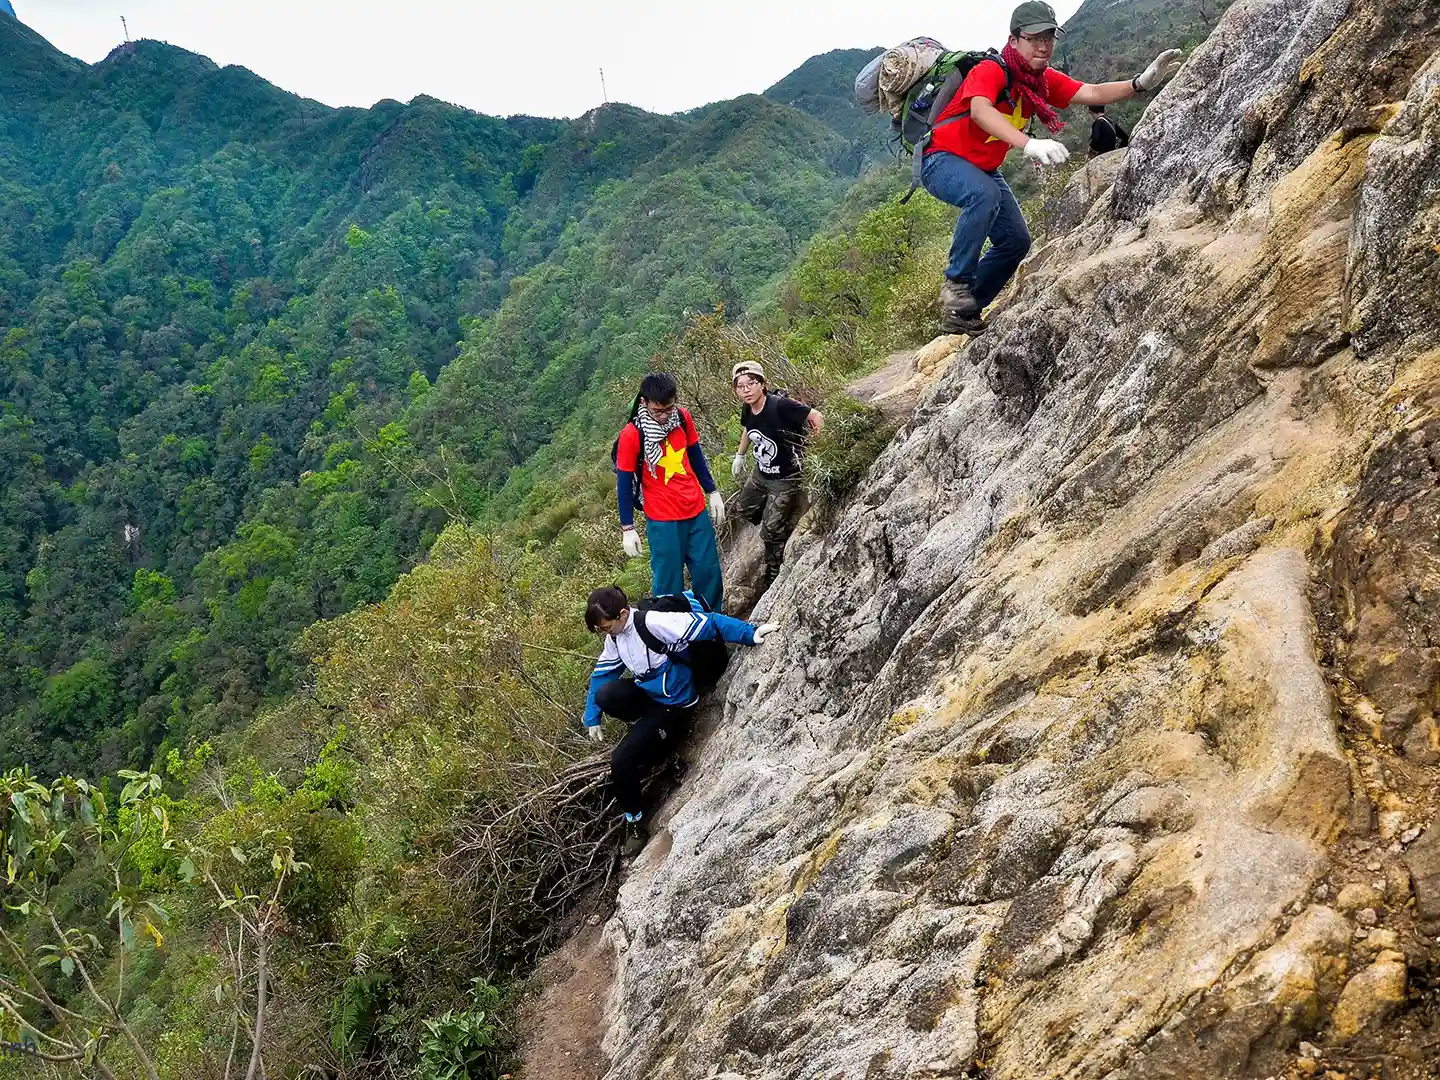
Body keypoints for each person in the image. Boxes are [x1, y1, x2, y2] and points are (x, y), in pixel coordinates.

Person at [920, 0, 1182, 334]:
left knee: (1016, 241)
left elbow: (1090, 91)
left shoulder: (1039, 81)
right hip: (940, 159)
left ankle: (965, 309)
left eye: (1049, 37)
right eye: (1034, 38)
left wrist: (1139, 83)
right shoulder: (991, 71)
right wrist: (1027, 143)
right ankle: (956, 284)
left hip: (982, 167)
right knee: (983, 195)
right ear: (1014, 40)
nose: (1044, 45)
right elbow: (980, 112)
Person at [582, 585, 779, 854]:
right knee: (607, 695)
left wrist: (749, 632)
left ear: (623, 614)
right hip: (651, 695)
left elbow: (707, 625)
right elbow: (602, 674)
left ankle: (636, 822)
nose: (605, 633)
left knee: (621, 760)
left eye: (606, 627)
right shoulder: (615, 638)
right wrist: (592, 716)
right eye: (601, 630)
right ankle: (651, 738)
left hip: (675, 701)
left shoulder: (653, 623)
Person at [615, 372, 727, 611]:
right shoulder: (633, 434)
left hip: (695, 510)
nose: (665, 416)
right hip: (663, 519)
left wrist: (712, 490)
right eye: (658, 411)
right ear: (644, 403)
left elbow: (695, 455)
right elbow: (624, 483)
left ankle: (711, 630)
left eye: (669, 409)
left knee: (709, 574)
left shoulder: (682, 418)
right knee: (668, 585)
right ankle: (675, 639)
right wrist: (628, 527)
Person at [729, 361, 824, 591]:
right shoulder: (748, 407)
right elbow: (747, 429)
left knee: (770, 531)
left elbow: (816, 416)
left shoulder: (780, 405)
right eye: (740, 386)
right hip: (761, 474)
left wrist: (821, 451)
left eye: (751, 383)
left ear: (762, 384)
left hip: (785, 477)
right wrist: (740, 455)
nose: (746, 390)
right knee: (743, 510)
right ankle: (779, 513)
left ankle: (775, 567)